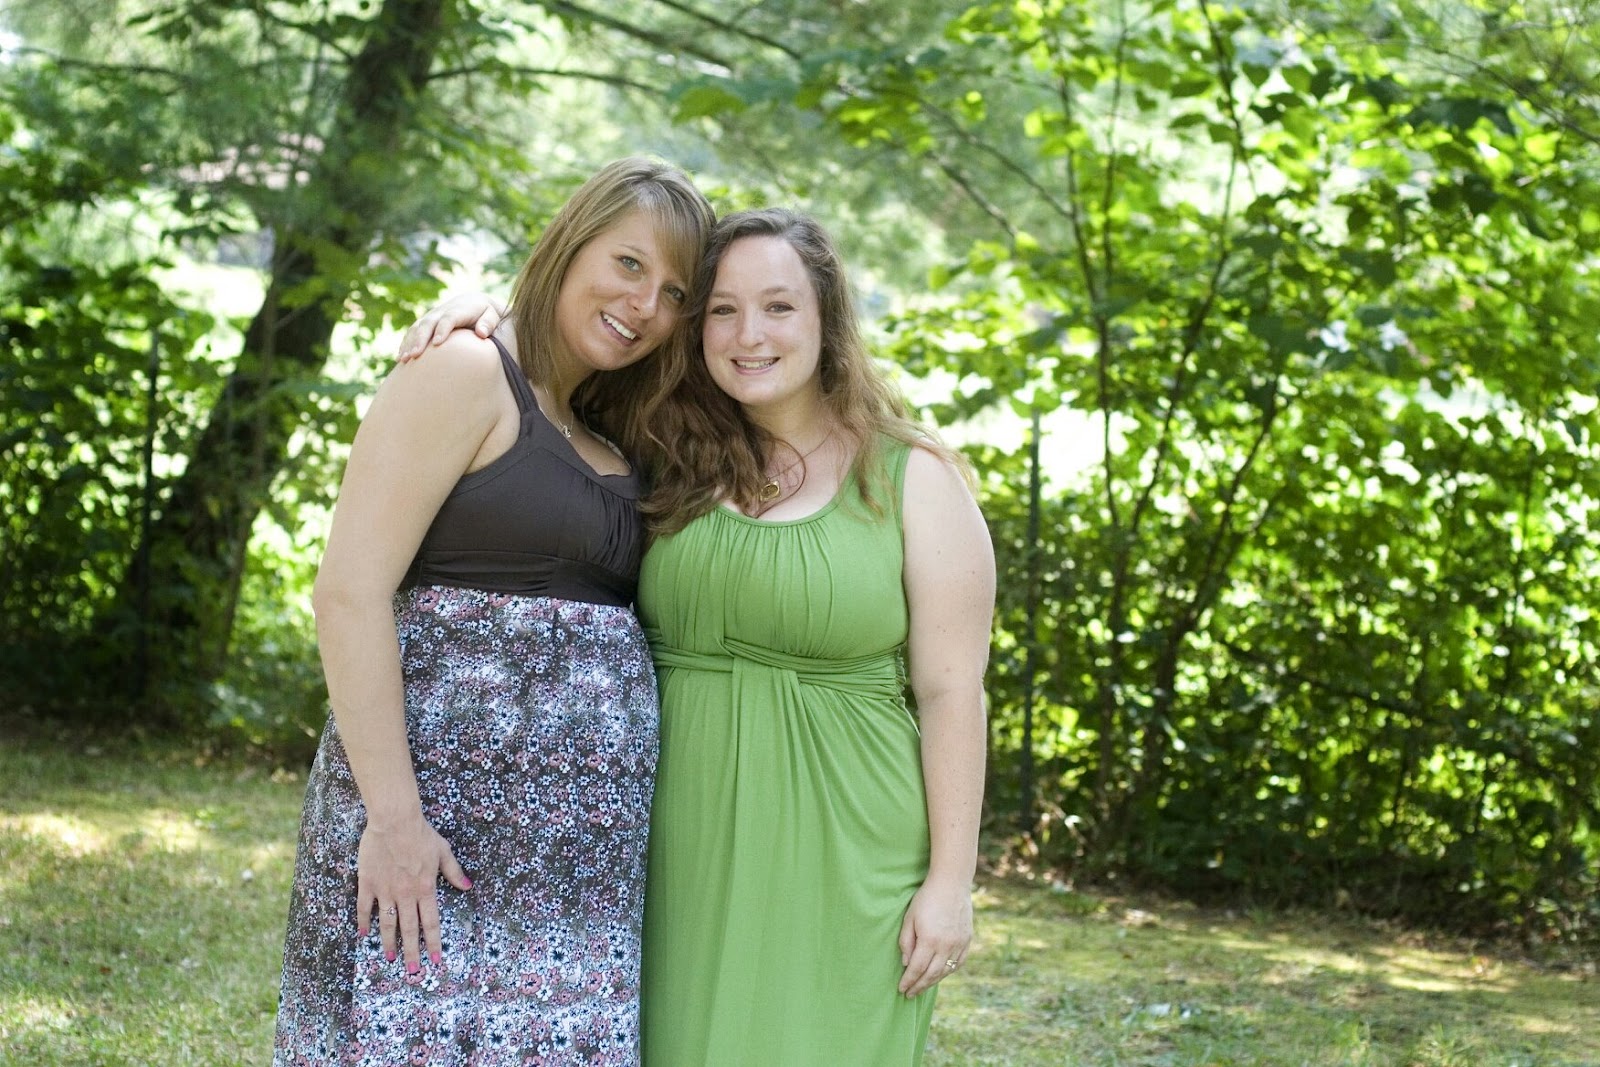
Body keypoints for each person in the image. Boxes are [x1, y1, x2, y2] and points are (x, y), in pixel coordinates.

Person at [402, 207, 994, 1066]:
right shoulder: (662, 446)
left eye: (779, 307)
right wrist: (489, 315)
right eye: (722, 309)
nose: (750, 334)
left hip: (848, 843)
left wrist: (950, 883)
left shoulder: (912, 477)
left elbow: (952, 692)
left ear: (827, 318)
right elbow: (558, 369)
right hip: (669, 843)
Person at [273, 156, 715, 1067]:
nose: (644, 305)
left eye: (674, 292)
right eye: (628, 263)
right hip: (433, 832)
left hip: (573, 874)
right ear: (571, 241)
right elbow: (348, 591)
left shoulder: (615, 423)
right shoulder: (466, 371)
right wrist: (394, 819)